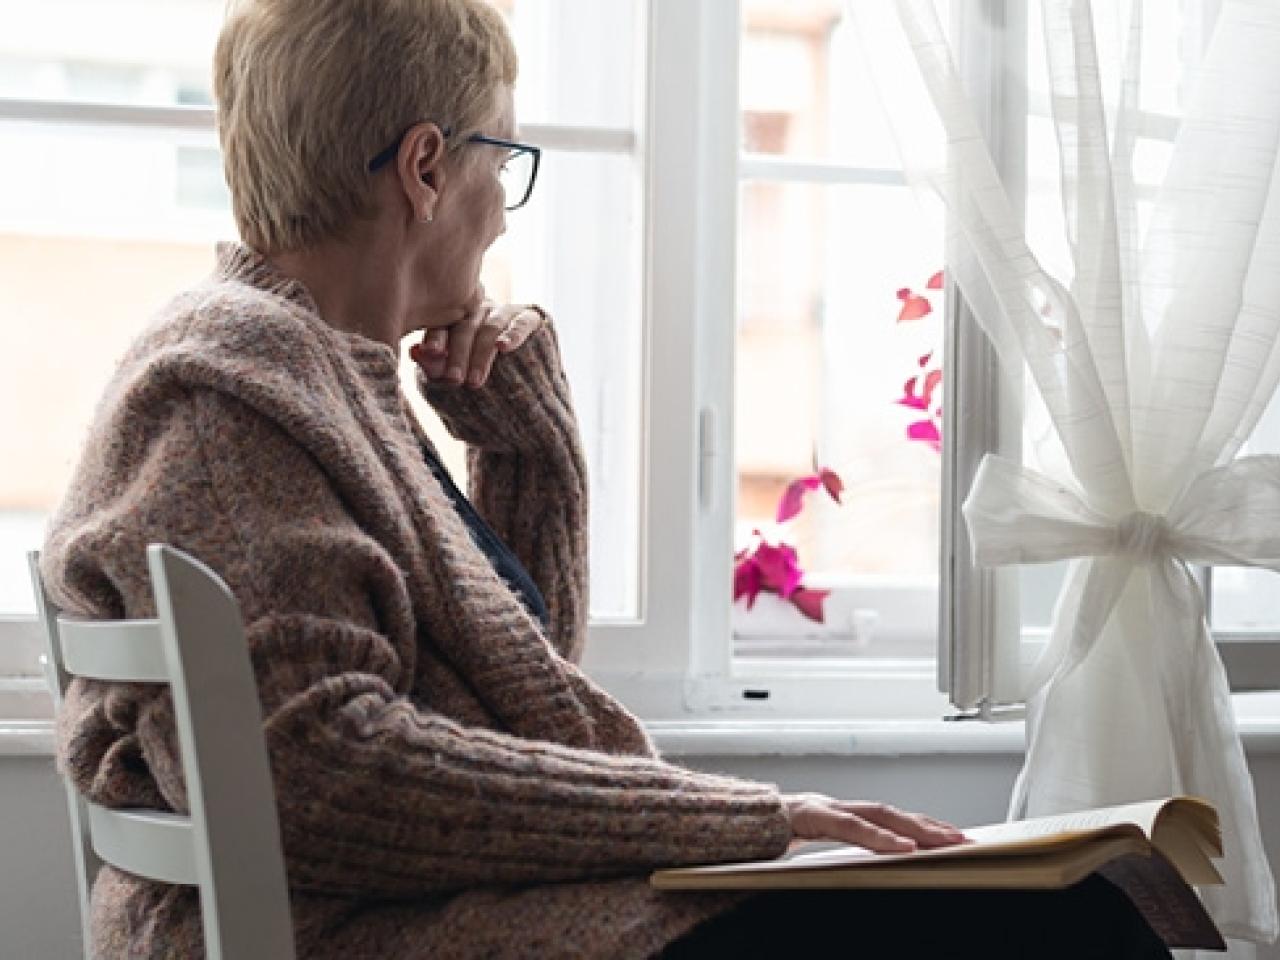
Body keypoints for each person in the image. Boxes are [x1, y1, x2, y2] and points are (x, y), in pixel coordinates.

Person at [40, 0, 1173, 956]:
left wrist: (520, 438)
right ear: (428, 168)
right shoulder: (233, 386)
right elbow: (319, 774)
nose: (501, 209)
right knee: (1072, 925)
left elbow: (522, 697)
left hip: (420, 916)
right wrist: (745, 820)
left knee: (1081, 906)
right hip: (364, 932)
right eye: (506, 159)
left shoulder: (316, 370)